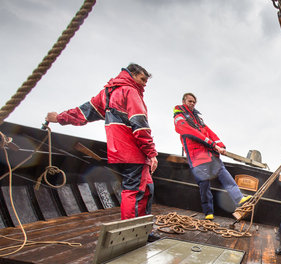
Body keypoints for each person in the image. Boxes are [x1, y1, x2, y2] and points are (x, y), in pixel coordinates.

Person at [46, 63, 157, 220]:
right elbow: (140, 126)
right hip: (135, 152)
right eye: (142, 79)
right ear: (131, 75)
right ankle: (131, 231)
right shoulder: (130, 91)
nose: (145, 84)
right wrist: (151, 153)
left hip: (120, 152)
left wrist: (59, 117)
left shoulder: (107, 94)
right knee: (134, 192)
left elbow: (82, 113)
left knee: (146, 188)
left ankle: (144, 228)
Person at [173, 93, 249, 220]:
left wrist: (221, 145)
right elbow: (192, 133)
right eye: (190, 101)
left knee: (224, 174)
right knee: (204, 185)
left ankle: (239, 198)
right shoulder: (179, 117)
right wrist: (213, 145)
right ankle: (208, 212)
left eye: (194, 102)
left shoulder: (198, 119)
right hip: (197, 156)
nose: (192, 104)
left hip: (209, 154)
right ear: (183, 101)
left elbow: (209, 132)